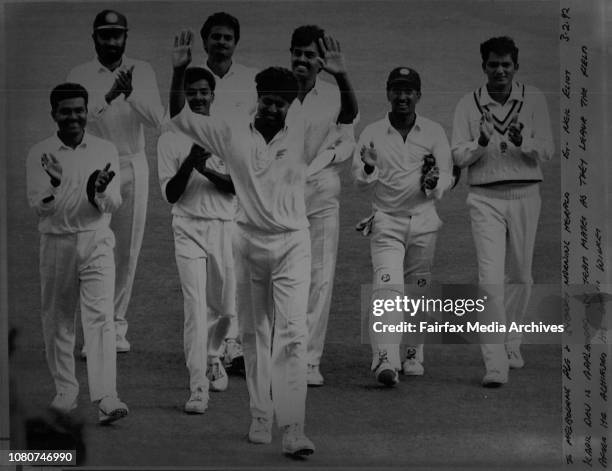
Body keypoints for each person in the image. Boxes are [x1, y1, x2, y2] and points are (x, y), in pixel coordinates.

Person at [451, 36, 554, 387]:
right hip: (484, 199)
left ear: (515, 66)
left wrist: (524, 141)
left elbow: (549, 151)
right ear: (484, 67)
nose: (499, 71)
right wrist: (480, 143)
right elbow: (458, 156)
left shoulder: (534, 98)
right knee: (489, 281)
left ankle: (512, 341)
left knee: (522, 277)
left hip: (526, 194)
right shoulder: (469, 103)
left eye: (505, 65)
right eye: (493, 65)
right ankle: (494, 362)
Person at [26, 82, 128, 423]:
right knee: (58, 319)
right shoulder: (40, 152)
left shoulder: (104, 149)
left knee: (101, 319)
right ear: (54, 114)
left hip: (97, 239)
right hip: (56, 242)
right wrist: (54, 183)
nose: (73, 117)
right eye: (65, 111)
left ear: (87, 112)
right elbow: (38, 207)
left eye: (79, 110)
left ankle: (106, 396)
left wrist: (99, 192)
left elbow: (114, 202)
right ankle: (66, 392)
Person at [67, 9, 166, 353]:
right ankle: (94, 329)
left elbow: (158, 119)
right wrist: (110, 95)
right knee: (92, 247)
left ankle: (117, 327)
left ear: (126, 36)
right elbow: (76, 121)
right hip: (95, 167)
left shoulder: (144, 70)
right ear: (93, 37)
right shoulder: (79, 74)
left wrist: (131, 92)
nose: (111, 41)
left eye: (117, 35)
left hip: (133, 164)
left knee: (126, 252)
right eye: (105, 35)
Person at [353, 67, 452, 386]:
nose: (402, 96)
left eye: (409, 90)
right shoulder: (372, 132)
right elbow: (359, 181)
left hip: (424, 221)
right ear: (388, 93)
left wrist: (435, 181)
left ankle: (413, 353)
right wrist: (368, 165)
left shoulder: (434, 131)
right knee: (387, 290)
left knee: (418, 292)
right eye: (397, 89)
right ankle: (384, 358)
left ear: (418, 95)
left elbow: (446, 176)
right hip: (387, 223)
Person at [157, 67, 237, 413]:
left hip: (225, 226)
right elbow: (171, 194)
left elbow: (237, 186)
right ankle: (197, 386)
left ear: (212, 95)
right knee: (195, 310)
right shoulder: (170, 137)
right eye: (193, 92)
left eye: (205, 92)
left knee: (226, 310)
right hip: (188, 226)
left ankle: (213, 355)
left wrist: (205, 169)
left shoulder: (228, 132)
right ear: (185, 95)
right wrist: (190, 161)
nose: (199, 97)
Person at [288, 25, 358, 387]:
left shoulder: (335, 95)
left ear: (321, 60)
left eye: (310, 54)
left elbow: (348, 120)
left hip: (322, 194)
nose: (302, 60)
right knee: (282, 279)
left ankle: (310, 360)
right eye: (297, 53)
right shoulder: (276, 89)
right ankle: (282, 354)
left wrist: (342, 73)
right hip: (280, 196)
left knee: (320, 278)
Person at [195, 11, 259, 370]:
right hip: (201, 185)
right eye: (215, 37)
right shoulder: (196, 81)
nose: (221, 42)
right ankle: (208, 344)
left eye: (227, 37)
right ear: (205, 41)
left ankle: (231, 343)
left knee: (235, 267)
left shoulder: (249, 81)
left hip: (239, 186)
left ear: (236, 42)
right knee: (206, 271)